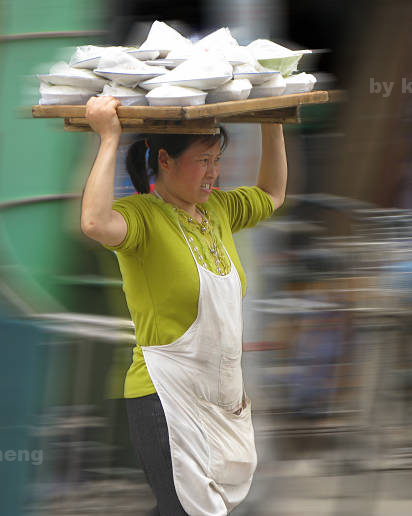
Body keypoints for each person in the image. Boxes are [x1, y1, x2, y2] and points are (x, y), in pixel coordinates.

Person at [80, 96, 287, 516]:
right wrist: (108, 138)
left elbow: (272, 193)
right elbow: (95, 223)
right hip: (164, 398)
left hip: (222, 400)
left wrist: (273, 119)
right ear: (165, 161)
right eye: (203, 160)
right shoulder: (141, 218)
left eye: (218, 159)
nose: (214, 172)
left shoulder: (219, 211)